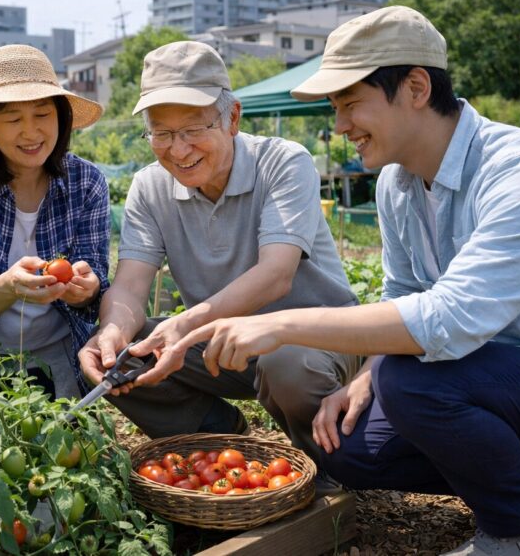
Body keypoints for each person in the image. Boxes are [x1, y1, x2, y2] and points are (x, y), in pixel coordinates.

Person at [177, 6, 520, 555]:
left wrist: (279, 324)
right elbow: (403, 293)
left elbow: (448, 318)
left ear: (417, 87)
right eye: (336, 107)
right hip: (492, 376)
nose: (342, 125)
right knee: (349, 446)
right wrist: (364, 377)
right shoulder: (397, 184)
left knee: (411, 380)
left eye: (351, 104)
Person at [77, 40, 361, 464]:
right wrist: (112, 330)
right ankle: (218, 438)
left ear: (232, 118)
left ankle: (327, 466)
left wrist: (186, 324)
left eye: (193, 129)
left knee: (286, 364)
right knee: (121, 354)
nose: (178, 149)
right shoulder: (149, 187)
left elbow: (276, 274)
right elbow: (131, 287)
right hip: (219, 347)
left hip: (313, 339)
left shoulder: (283, 162)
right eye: (162, 133)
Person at [0, 44, 111, 398]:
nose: (31, 133)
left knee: (69, 450)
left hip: (61, 353)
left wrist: (86, 290)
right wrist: (8, 286)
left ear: (61, 116)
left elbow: (96, 284)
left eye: (43, 115)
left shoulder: (86, 183)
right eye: (14, 119)